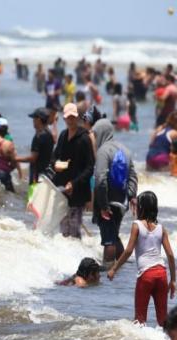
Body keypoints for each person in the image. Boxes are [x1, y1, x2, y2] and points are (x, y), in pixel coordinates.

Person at [108, 191, 176, 327]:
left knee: (139, 321)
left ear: (142, 208)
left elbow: (128, 251)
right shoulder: (161, 229)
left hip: (146, 275)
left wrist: (114, 269)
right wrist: (173, 280)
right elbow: (170, 255)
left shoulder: (137, 225)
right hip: (161, 274)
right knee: (163, 321)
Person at [92, 119, 138, 268]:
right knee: (114, 234)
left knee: (108, 240)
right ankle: (122, 268)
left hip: (107, 201)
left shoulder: (103, 151)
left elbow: (100, 179)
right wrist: (131, 197)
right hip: (122, 201)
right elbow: (133, 176)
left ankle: (108, 270)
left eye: (95, 133)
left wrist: (103, 205)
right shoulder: (126, 150)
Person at [49, 103, 94, 238]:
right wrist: (55, 164)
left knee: (74, 229)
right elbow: (54, 157)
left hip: (78, 191)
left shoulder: (84, 138)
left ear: (77, 118)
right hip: (62, 190)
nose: (70, 120)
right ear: (64, 119)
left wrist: (74, 183)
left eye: (73, 117)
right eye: (68, 117)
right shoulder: (63, 135)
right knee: (63, 230)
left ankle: (78, 255)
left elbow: (90, 167)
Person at [16, 108, 55, 187]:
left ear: (39, 120)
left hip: (36, 174)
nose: (33, 121)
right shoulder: (49, 134)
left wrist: (16, 159)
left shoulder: (38, 137)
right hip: (46, 173)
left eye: (34, 118)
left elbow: (33, 158)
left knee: (32, 196)